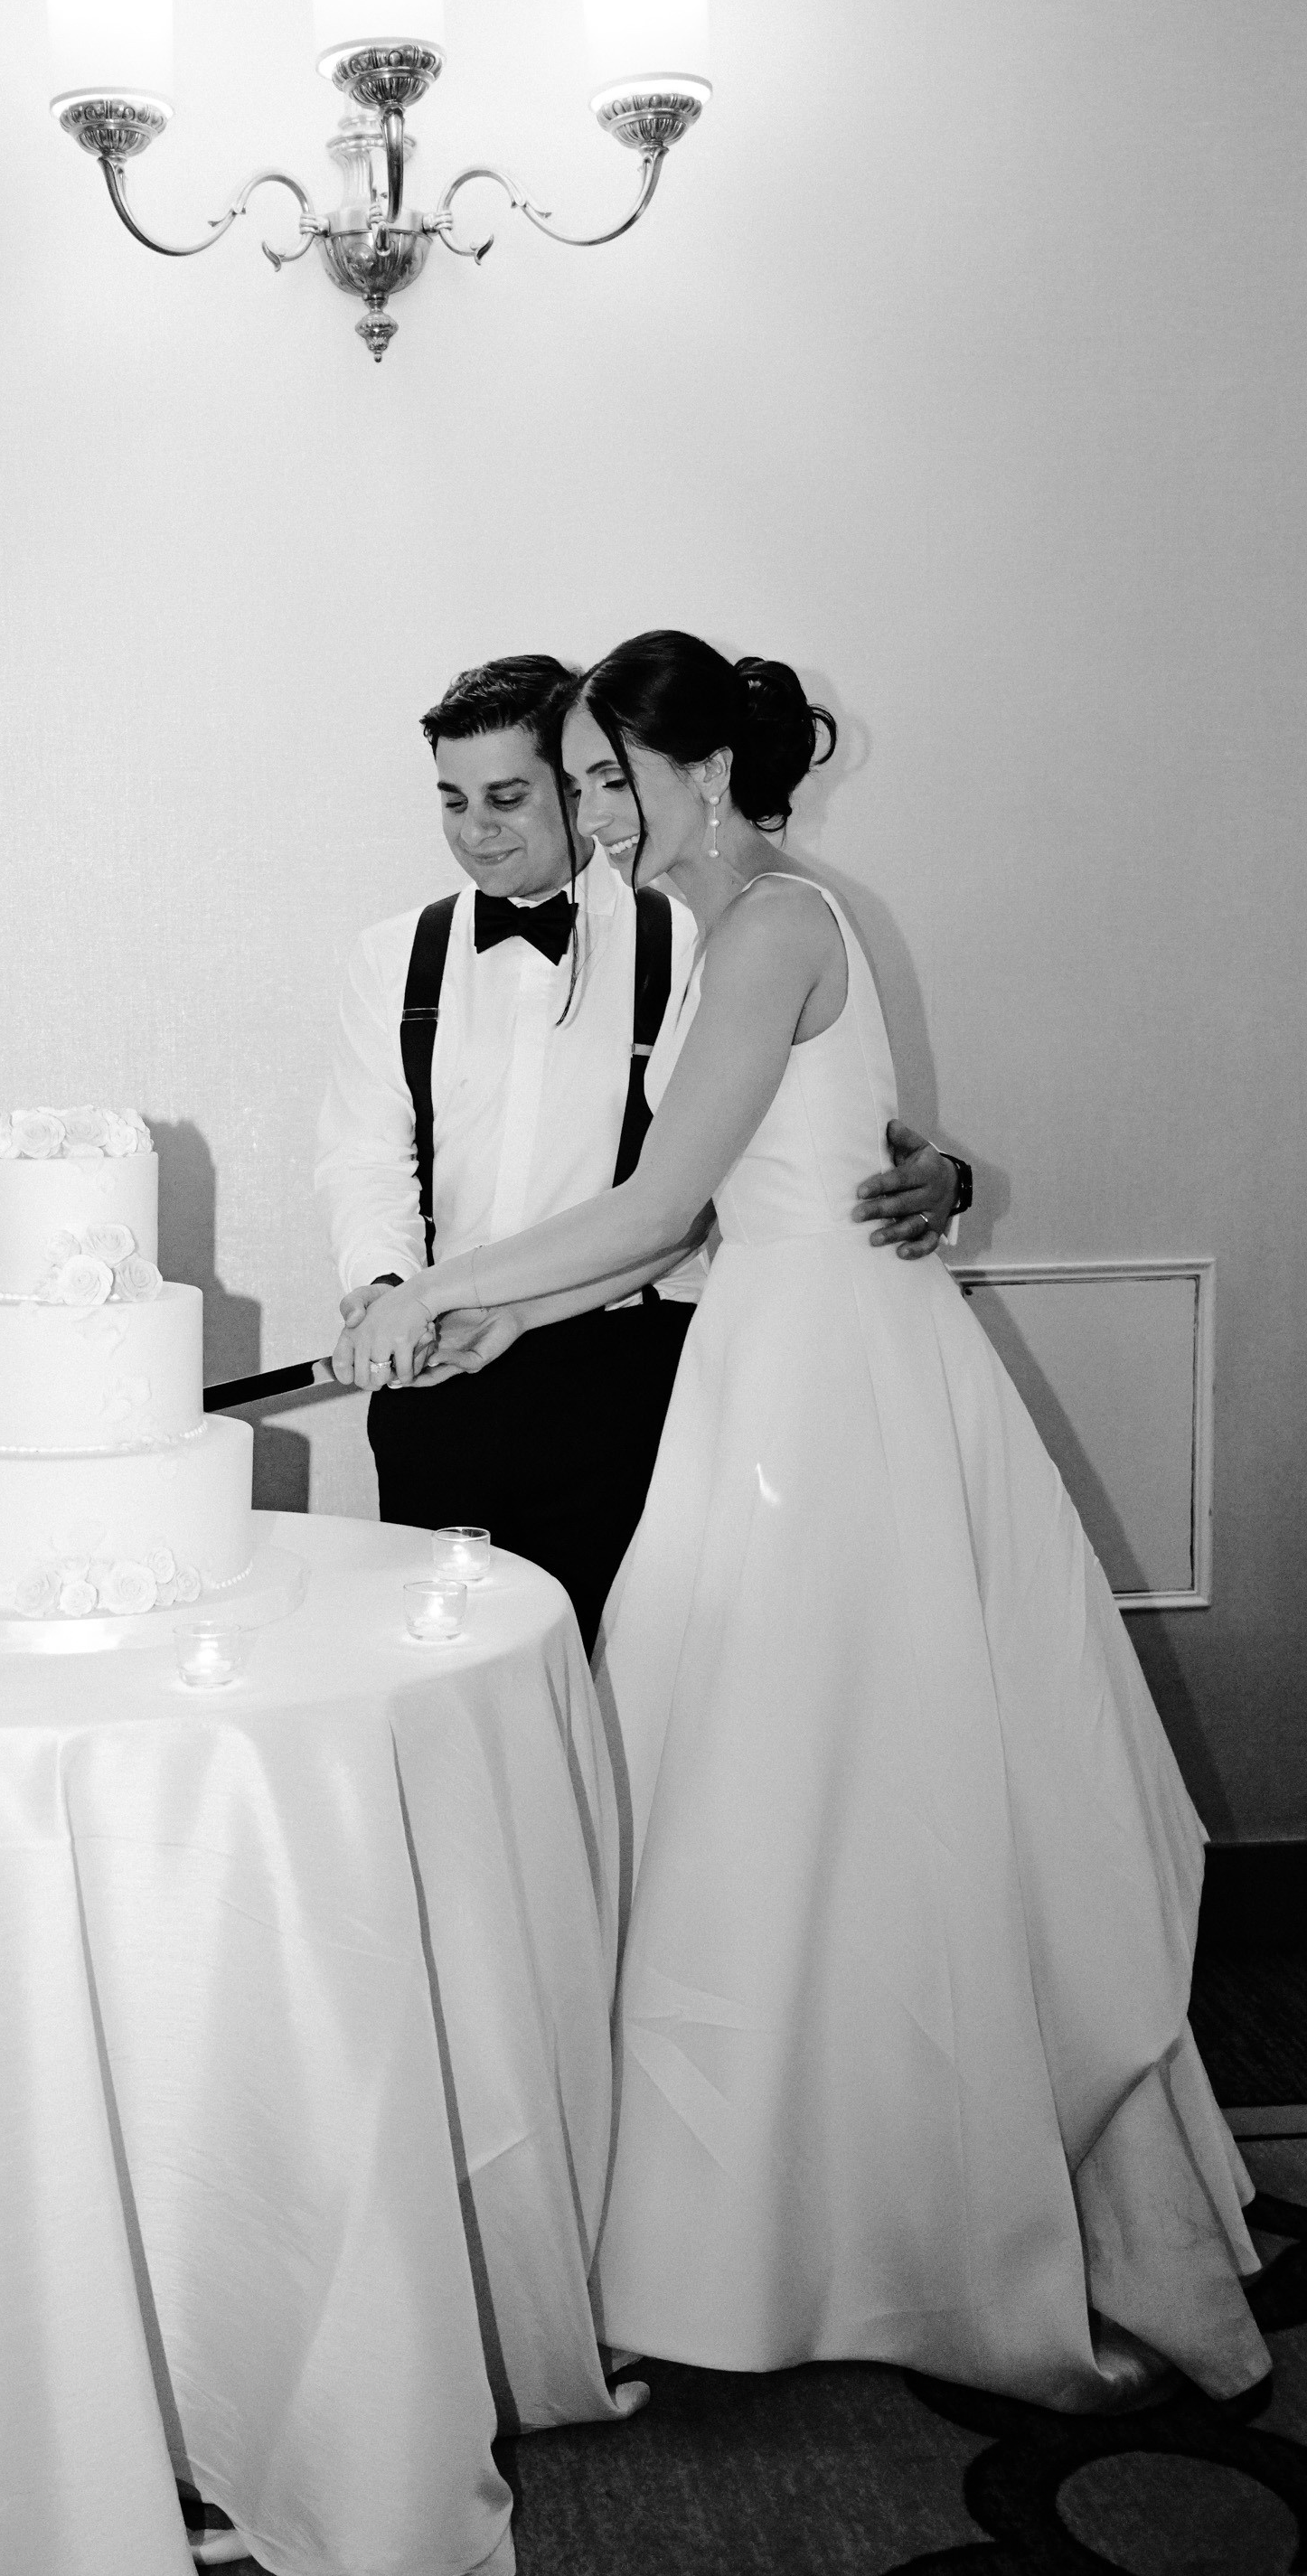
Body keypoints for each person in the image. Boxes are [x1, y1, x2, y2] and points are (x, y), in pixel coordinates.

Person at [338, 631, 1268, 2412]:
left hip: (827, 1390)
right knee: (759, 1785)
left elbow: (665, 1195)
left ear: (697, 771)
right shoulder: (715, 926)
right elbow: (707, 1215)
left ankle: (901, 2220)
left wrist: (454, 1282)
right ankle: (779, 2210)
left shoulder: (768, 924)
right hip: (760, 1355)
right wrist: (488, 1312)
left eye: (613, 776)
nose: (597, 812)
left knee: (835, 1777)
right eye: (583, 777)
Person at [315, 653, 963, 1650]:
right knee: (449, 1683)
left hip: (638, 1369)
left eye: (514, 795)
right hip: (445, 1367)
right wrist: (395, 1289)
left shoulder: (696, 926)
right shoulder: (390, 954)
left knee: (650, 1672)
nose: (475, 829)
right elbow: (362, 1156)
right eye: (451, 800)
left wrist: (943, 1181)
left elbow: (714, 1184)